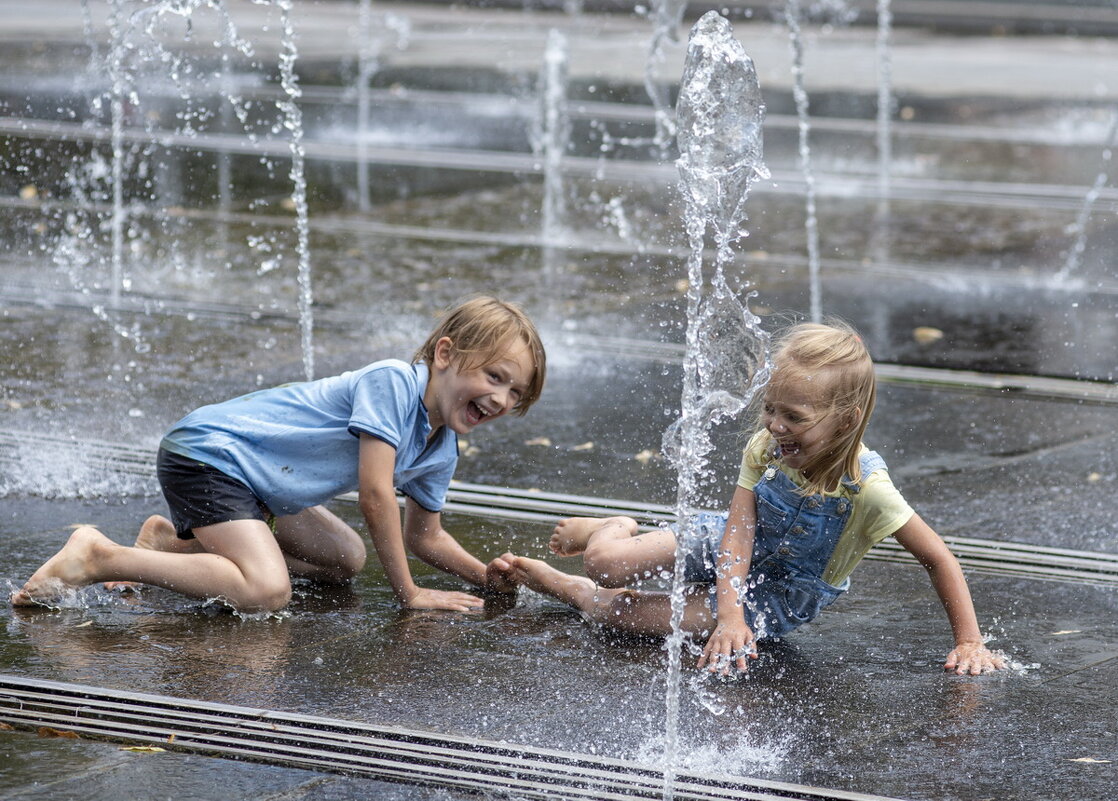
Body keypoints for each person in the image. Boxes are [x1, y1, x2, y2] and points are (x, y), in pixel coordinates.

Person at [499, 321, 1005, 675]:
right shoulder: (765, 447)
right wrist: (729, 613)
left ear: (845, 421)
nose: (774, 426)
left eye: (794, 418)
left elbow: (937, 558)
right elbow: (737, 535)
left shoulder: (870, 492)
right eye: (770, 408)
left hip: (781, 593)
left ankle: (564, 588)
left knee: (623, 615)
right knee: (606, 562)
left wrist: (968, 641)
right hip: (725, 537)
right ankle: (613, 525)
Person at [12, 296, 546, 614]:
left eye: (515, 393)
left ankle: (171, 546)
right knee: (267, 591)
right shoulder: (392, 384)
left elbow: (424, 534)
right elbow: (376, 495)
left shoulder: (440, 444)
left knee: (346, 560)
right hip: (210, 455)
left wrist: (484, 577)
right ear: (446, 354)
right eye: (494, 376)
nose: (500, 399)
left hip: (259, 485)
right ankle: (101, 557)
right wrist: (408, 592)